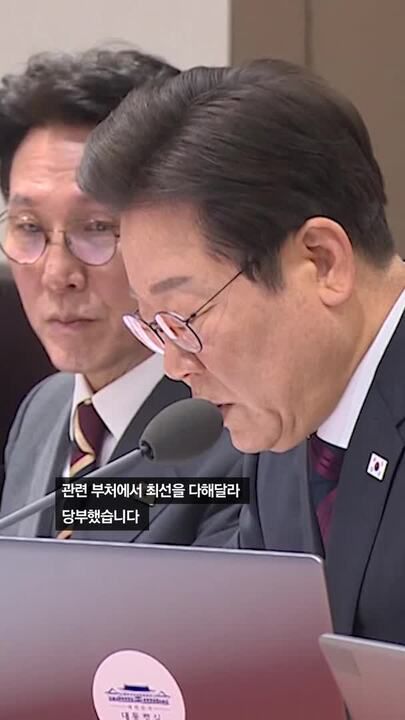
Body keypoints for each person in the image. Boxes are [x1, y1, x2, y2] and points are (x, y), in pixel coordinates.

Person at [78, 58, 405, 645]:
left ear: (322, 262)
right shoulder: (281, 426)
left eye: (186, 317)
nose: (175, 365)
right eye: (155, 326)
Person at [0, 48, 243, 545]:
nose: (57, 274)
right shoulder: (44, 410)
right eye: (28, 227)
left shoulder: (240, 425)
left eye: (96, 228)